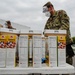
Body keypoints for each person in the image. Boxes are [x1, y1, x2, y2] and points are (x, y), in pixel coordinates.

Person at [43, 1, 74, 75]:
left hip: (64, 46)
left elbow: (65, 26)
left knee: (66, 70)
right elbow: (45, 32)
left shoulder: (61, 13)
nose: (45, 13)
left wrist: (53, 36)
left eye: (45, 10)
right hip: (53, 49)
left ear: (50, 7)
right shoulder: (48, 21)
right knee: (54, 70)